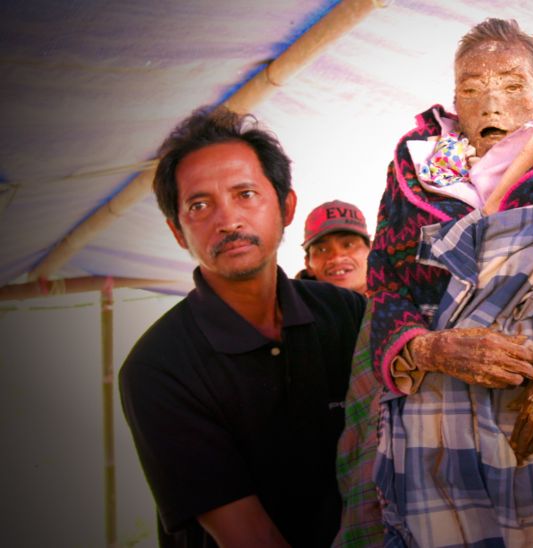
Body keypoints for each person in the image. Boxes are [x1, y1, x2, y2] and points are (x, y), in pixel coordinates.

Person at [341, 18, 533, 547]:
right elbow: (385, 279)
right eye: (472, 91)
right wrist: (428, 348)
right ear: (454, 102)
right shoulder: (416, 168)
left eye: (513, 87)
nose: (491, 106)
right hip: (440, 408)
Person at [119, 107, 366, 547]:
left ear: (286, 207)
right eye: (199, 205)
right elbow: (248, 537)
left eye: (246, 194)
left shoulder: (347, 313)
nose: (228, 221)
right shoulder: (158, 367)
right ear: (178, 231)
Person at [295, 199, 371, 295]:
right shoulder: (285, 302)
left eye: (348, 245)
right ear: (308, 264)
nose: (337, 258)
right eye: (322, 250)